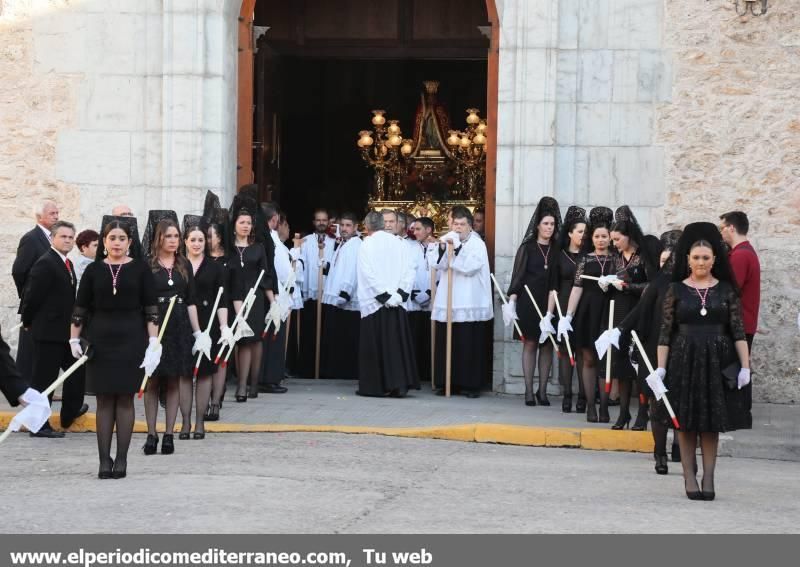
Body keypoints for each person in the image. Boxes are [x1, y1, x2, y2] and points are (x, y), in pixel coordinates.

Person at [654, 222, 751, 500]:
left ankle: (708, 477)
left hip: (717, 360)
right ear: (687, 260)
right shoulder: (675, 289)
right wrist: (661, 367)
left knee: (710, 423)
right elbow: (665, 332)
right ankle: (689, 477)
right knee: (686, 422)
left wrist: (745, 367)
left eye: (705, 258)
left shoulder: (726, 291)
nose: (700, 262)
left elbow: (738, 332)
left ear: (714, 260)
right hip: (684, 359)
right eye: (696, 257)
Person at [70, 218, 161, 479]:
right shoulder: (93, 271)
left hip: (132, 340)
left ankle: (121, 460)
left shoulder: (141, 270)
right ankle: (103, 460)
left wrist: (153, 342)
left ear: (130, 242)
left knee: (124, 399)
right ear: (105, 242)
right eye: (112, 239)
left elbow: (151, 308)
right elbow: (80, 307)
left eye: (122, 238)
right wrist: (74, 339)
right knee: (103, 400)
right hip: (100, 341)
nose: (117, 243)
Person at [613, 230, 682, 473]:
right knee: (658, 402)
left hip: (681, 347)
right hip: (654, 345)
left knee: (679, 400)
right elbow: (640, 311)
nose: (665, 266)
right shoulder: (657, 284)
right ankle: (660, 452)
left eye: (669, 261)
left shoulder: (687, 284)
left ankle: (678, 448)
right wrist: (620, 330)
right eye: (662, 262)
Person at [142, 215, 203, 454]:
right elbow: (143, 300)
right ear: (159, 237)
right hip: (154, 324)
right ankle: (151, 434)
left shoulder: (184, 264)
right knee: (152, 381)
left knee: (174, 380)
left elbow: (191, 300)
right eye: (168, 235)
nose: (173, 240)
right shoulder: (147, 265)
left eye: (176, 236)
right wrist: (150, 338)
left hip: (178, 324)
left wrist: (198, 332)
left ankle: (169, 434)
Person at [21, 220, 88, 436]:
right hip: (47, 332)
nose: (67, 240)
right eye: (63, 236)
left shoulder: (65, 263)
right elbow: (31, 297)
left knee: (75, 370)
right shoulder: (45, 263)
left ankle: (70, 412)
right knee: (44, 380)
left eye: (70, 237)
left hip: (65, 332)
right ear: (52, 238)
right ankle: (39, 426)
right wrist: (28, 322)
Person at [504, 197, 561, 406]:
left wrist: (550, 313)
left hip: (550, 302)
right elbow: (518, 277)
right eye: (545, 223)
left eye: (552, 224)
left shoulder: (557, 249)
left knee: (546, 346)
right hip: (528, 301)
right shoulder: (527, 248)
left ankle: (543, 391)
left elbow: (557, 281)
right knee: (530, 343)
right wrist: (511, 302)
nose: (549, 227)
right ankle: (528, 390)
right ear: (537, 225)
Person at [430, 206, 493, 397]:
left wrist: (457, 248)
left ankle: (471, 385)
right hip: (448, 298)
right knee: (447, 342)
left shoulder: (476, 244)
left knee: (468, 344)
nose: (458, 228)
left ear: (470, 226)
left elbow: (471, 267)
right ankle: (447, 382)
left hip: (469, 299)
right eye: (455, 224)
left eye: (462, 224)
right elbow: (435, 263)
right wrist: (442, 248)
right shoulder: (447, 240)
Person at [562, 207, 615, 423]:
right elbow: (577, 287)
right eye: (597, 236)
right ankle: (591, 405)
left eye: (604, 236)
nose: (601, 240)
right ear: (591, 238)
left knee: (605, 360)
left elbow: (626, 282)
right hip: (587, 311)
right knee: (589, 359)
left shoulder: (617, 259)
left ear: (610, 238)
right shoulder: (585, 259)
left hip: (609, 311)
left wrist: (614, 283)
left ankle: (604, 405)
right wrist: (568, 316)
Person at [356, 211, 417, 397]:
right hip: (396, 303)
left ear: (367, 227)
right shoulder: (401, 243)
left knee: (375, 347)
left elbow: (367, 274)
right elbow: (410, 269)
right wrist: (399, 294)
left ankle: (375, 386)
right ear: (384, 224)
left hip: (376, 304)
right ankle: (399, 385)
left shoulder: (367, 244)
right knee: (396, 345)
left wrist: (384, 296)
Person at [606, 206, 656, 430]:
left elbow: (652, 286)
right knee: (621, 366)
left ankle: (642, 414)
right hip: (618, 311)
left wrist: (628, 286)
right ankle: (623, 413)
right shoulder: (616, 257)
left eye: (617, 239)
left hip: (639, 311)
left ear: (628, 237)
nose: (614, 243)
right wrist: (606, 283)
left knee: (640, 366)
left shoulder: (644, 256)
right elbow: (611, 279)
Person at [182, 222, 229, 439]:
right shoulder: (178, 265)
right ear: (185, 242)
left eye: (201, 240)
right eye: (193, 240)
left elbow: (222, 300)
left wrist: (224, 327)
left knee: (204, 374)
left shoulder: (216, 267)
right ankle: (184, 423)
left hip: (209, 324)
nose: (197, 243)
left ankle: (200, 422)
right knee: (183, 375)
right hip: (182, 324)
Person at [228, 199, 276, 401]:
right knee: (239, 341)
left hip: (254, 299)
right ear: (234, 225)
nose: (246, 226)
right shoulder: (228, 248)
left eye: (248, 223)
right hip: (233, 298)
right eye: (242, 222)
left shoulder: (258, 248)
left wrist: (273, 303)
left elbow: (266, 276)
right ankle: (243, 383)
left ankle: (248, 385)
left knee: (252, 340)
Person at [12, 200, 59, 387]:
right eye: (52, 213)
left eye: (57, 212)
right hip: (35, 303)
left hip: (50, 305)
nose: (56, 216)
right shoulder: (31, 238)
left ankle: (42, 387)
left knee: (43, 350)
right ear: (40, 217)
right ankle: (23, 387)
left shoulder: (52, 238)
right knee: (29, 349)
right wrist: (28, 293)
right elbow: (19, 270)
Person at [719, 211, 759, 412]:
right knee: (738, 365)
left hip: (739, 322)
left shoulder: (741, 255)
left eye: (722, 228)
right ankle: (740, 408)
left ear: (731, 228)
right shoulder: (744, 252)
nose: (721, 233)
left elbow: (730, 289)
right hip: (745, 320)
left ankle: (739, 409)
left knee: (735, 367)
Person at [552, 206, 587, 413]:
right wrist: (550, 313)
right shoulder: (560, 256)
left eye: (585, 232)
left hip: (584, 306)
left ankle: (583, 395)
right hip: (563, 304)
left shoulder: (588, 255)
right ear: (570, 233)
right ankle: (567, 395)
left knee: (583, 352)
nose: (583, 235)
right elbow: (553, 286)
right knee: (565, 352)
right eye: (580, 231)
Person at [321, 212, 362, 379]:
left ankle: (346, 372)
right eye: (342, 225)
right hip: (336, 296)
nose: (344, 229)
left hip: (345, 299)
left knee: (346, 338)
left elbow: (352, 270)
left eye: (348, 225)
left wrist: (345, 293)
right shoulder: (344, 244)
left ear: (355, 227)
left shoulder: (355, 244)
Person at [297, 209, 335, 378]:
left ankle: (325, 368)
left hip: (327, 293)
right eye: (318, 220)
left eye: (324, 220)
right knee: (309, 332)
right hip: (311, 293)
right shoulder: (306, 242)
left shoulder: (335, 242)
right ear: (313, 222)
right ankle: (307, 368)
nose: (321, 223)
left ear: (328, 222)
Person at [258, 203, 289, 393]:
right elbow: (281, 271)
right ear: (275, 219)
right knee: (272, 338)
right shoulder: (270, 239)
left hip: (271, 293)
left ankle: (267, 377)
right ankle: (269, 379)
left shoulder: (266, 238)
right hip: (274, 295)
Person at [406, 217, 437, 384]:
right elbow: (406, 271)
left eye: (418, 229)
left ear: (428, 230)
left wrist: (432, 292)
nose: (415, 232)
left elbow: (441, 272)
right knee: (415, 340)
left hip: (433, 302)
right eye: (414, 229)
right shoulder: (410, 248)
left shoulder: (439, 247)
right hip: (414, 301)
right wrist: (413, 293)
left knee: (431, 341)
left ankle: (431, 374)